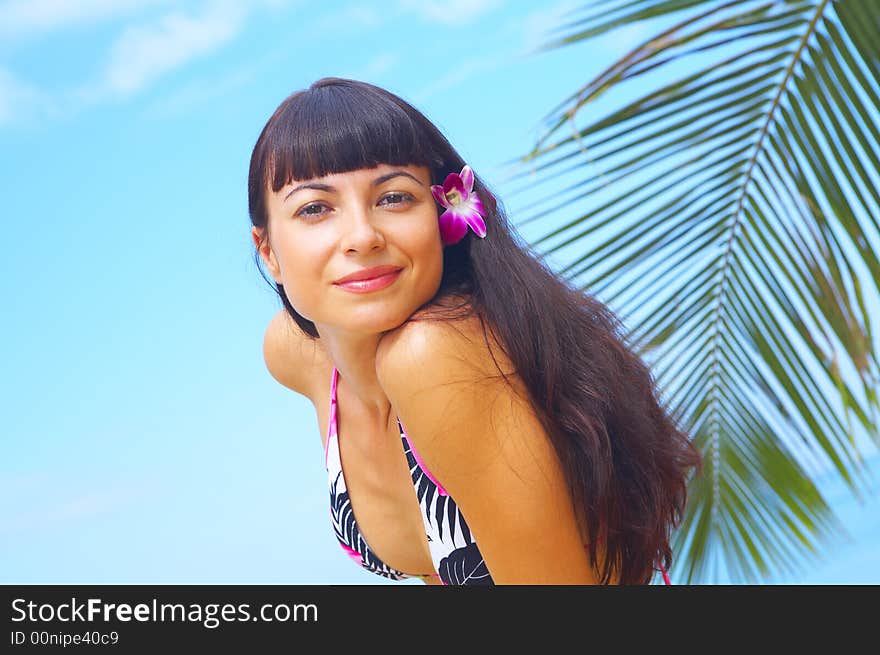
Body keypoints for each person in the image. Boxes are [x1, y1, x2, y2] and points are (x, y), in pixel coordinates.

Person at [248, 77, 703, 585]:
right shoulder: (297, 353)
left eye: (394, 198)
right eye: (315, 208)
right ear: (268, 252)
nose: (362, 236)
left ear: (442, 213)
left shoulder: (435, 357)